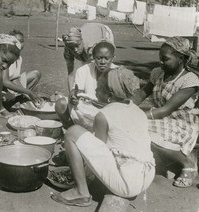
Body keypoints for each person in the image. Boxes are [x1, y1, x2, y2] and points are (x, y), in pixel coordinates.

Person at [51, 68, 155, 207]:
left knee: (72, 132)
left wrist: (75, 160)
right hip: (146, 176)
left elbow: (99, 151)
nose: (95, 91)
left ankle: (81, 193)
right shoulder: (138, 111)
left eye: (98, 88)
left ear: (110, 95)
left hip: (126, 184)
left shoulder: (103, 115)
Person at [132, 37, 199, 188]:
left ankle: (187, 163)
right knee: (133, 127)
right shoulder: (158, 73)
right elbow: (141, 94)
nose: (161, 62)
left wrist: (135, 116)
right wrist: (125, 107)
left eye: (165, 59)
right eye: (160, 58)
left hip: (182, 124)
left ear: (180, 58)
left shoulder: (190, 80)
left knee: (141, 129)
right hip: (160, 120)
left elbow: (166, 110)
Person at [55, 40, 137, 131]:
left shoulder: (119, 74)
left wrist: (107, 104)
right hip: (88, 110)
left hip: (110, 113)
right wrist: (73, 95)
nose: (102, 62)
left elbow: (125, 103)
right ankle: (73, 131)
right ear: (93, 57)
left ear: (113, 57)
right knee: (61, 103)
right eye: (99, 58)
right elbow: (77, 92)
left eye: (106, 58)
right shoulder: (83, 71)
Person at [0, 31, 43, 117]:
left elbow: (15, 78)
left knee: (35, 74)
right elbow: (4, 81)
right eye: (15, 41)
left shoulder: (16, 58)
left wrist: (25, 93)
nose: (18, 44)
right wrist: (28, 92)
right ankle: (0, 107)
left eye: (21, 41)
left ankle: (17, 99)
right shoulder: (0, 58)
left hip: (7, 86)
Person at [62, 23, 114, 89]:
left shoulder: (91, 47)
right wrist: (71, 94)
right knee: (85, 70)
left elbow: (94, 72)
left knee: (100, 67)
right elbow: (70, 74)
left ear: (81, 41)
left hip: (104, 32)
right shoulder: (68, 51)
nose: (75, 50)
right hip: (87, 32)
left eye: (77, 46)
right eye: (72, 48)